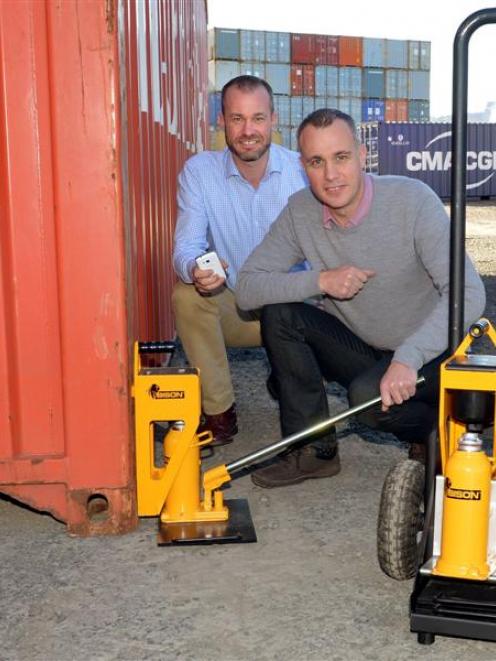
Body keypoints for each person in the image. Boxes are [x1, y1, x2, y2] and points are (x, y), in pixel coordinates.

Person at [236, 108, 486, 488]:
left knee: (368, 400)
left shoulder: (411, 200)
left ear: (362, 153)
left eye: (341, 157)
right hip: (369, 349)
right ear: (303, 166)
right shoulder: (300, 211)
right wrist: (321, 280)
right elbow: (248, 287)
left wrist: (409, 357)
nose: (331, 175)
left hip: (437, 349)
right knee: (281, 315)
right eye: (317, 162)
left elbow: (469, 292)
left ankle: (439, 430)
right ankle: (313, 452)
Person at [172, 76, 307, 446]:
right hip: (238, 308)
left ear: (274, 120)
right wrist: (196, 270)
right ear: (222, 121)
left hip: (297, 312)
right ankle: (219, 413)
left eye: (258, 118)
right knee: (187, 294)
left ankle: (291, 377)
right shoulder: (200, 172)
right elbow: (186, 246)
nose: (248, 131)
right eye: (237, 119)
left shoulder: (302, 172)